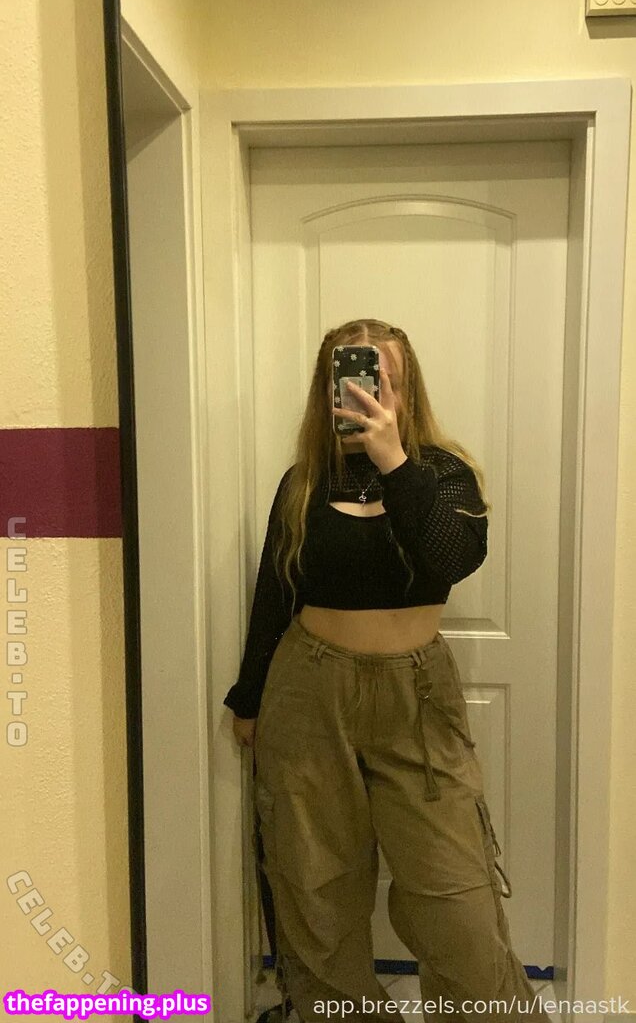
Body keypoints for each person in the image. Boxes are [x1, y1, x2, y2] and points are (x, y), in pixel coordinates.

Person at [225, 319, 549, 1023]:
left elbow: (451, 559)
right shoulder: (303, 483)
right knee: (315, 887)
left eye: (386, 381)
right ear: (328, 392)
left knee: (455, 894)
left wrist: (395, 462)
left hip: (417, 694)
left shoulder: (442, 474)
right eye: (350, 381)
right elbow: (275, 594)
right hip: (308, 692)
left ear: (406, 389)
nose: (370, 396)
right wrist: (249, 698)